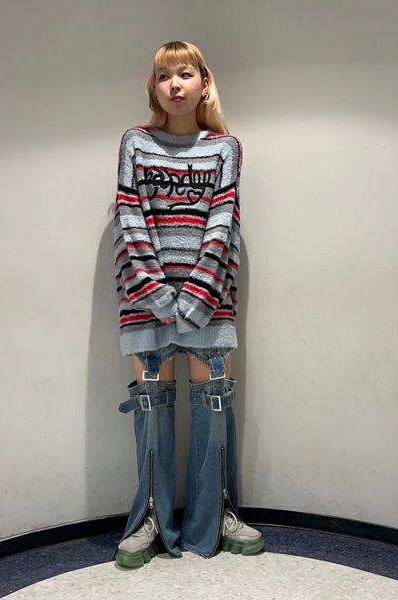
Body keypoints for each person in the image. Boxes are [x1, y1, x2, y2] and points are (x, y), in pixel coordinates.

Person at [111, 40, 265, 569]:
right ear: (152, 87)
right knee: (151, 411)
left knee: (214, 408)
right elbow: (129, 216)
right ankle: (152, 519)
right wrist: (158, 294)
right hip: (144, 300)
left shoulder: (226, 148)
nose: (174, 85)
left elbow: (224, 223)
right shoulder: (134, 143)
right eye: (163, 76)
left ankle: (217, 515)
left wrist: (197, 296)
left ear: (204, 83)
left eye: (184, 73)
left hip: (211, 300)